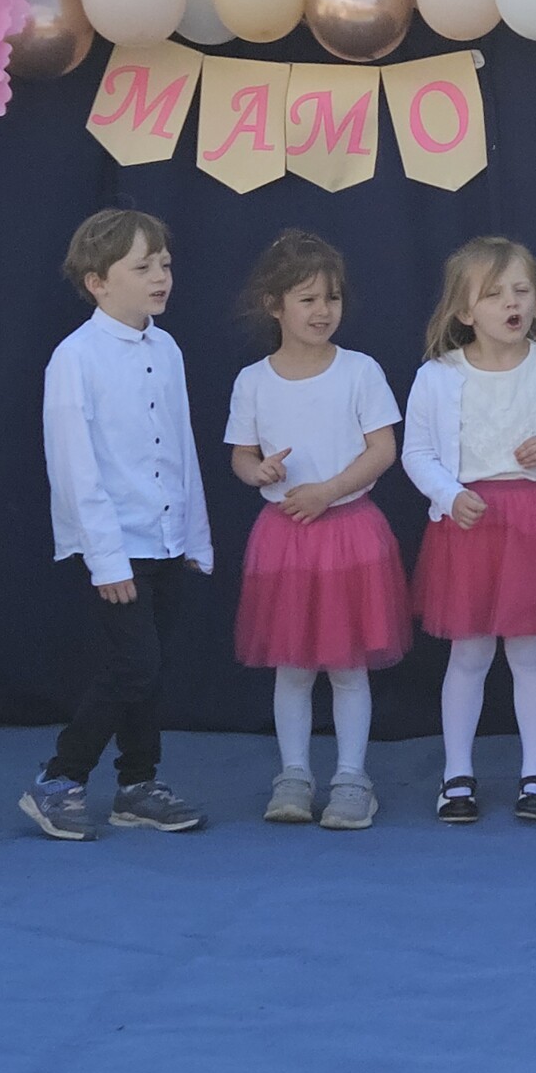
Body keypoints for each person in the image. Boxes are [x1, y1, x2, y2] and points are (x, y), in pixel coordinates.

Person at [22, 208, 214, 842]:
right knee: (134, 665)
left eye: (164, 264)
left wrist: (193, 536)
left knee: (150, 671)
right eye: (142, 267)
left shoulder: (168, 348)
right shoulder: (75, 358)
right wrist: (106, 558)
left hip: (165, 538)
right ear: (98, 282)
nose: (160, 276)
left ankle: (137, 784)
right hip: (117, 543)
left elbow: (181, 448)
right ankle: (59, 777)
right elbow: (74, 465)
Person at [404, 236, 536, 825]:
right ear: (464, 312)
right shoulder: (437, 377)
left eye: (521, 290)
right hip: (470, 524)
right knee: (468, 654)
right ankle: (456, 774)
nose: (511, 303)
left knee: (530, 654)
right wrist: (450, 495)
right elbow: (418, 453)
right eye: (493, 295)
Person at [225, 230, 406, 832]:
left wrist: (328, 491)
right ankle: (294, 775)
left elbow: (383, 449)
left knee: (349, 666)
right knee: (294, 666)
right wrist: (258, 472)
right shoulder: (253, 380)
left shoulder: (359, 371)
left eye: (332, 297)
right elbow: (242, 455)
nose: (322, 310)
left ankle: (352, 778)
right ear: (274, 306)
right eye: (307, 299)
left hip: (349, 534)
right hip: (285, 539)